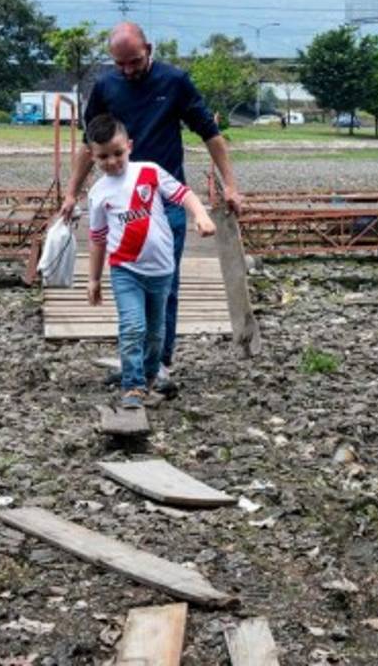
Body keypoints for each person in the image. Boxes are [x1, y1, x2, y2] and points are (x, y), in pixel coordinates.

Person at [59, 22, 243, 386]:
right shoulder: (106, 86)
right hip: (119, 202)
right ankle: (137, 359)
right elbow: (88, 143)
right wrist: (71, 192)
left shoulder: (174, 81)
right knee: (126, 279)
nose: (128, 71)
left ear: (149, 48)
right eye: (120, 64)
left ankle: (158, 363)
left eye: (135, 61)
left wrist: (231, 186)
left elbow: (211, 135)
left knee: (165, 282)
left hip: (165, 199)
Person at [83, 113, 216, 407]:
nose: (113, 162)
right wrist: (93, 280)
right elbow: (98, 238)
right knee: (133, 327)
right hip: (125, 270)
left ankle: (150, 376)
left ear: (129, 146)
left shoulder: (149, 172)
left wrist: (201, 215)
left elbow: (184, 194)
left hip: (161, 270)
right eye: (103, 156)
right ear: (92, 156)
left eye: (118, 153)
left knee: (156, 333)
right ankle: (132, 385)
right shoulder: (98, 194)